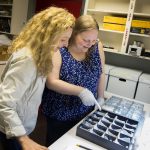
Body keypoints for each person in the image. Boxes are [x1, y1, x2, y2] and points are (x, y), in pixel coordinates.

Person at [0, 6, 75, 150]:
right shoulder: (27, 59)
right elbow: (5, 103)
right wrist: (23, 139)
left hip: (22, 125)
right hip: (13, 130)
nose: (65, 45)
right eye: (63, 39)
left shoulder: (41, 54)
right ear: (48, 35)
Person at [41, 14, 105, 146]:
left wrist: (101, 97)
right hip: (60, 113)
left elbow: (101, 72)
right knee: (59, 145)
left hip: (86, 110)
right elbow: (51, 82)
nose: (90, 44)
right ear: (74, 34)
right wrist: (80, 91)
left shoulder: (96, 46)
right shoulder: (60, 48)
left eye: (93, 40)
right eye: (86, 40)